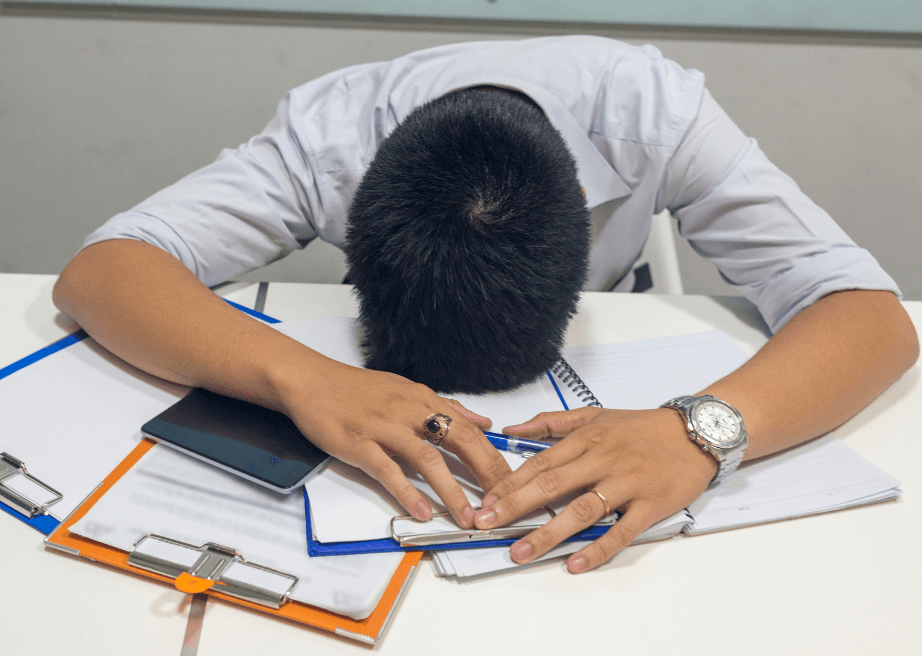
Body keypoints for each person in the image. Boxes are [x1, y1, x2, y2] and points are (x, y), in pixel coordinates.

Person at [53, 36, 917, 574]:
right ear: (352, 212)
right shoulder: (324, 138)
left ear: (583, 203)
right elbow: (103, 273)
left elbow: (869, 314)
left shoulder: (655, 111)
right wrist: (305, 379)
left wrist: (699, 429)